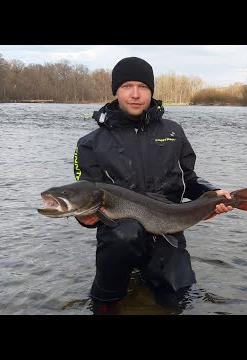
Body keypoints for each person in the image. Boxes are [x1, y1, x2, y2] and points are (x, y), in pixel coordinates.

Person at [73, 56, 233, 313]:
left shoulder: (173, 131)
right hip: (119, 234)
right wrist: (83, 218)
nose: (135, 94)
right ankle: (108, 297)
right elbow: (86, 193)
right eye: (127, 86)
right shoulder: (90, 143)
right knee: (109, 292)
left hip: (167, 228)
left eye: (143, 87)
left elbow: (189, 178)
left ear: (151, 91)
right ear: (116, 91)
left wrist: (211, 195)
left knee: (177, 301)